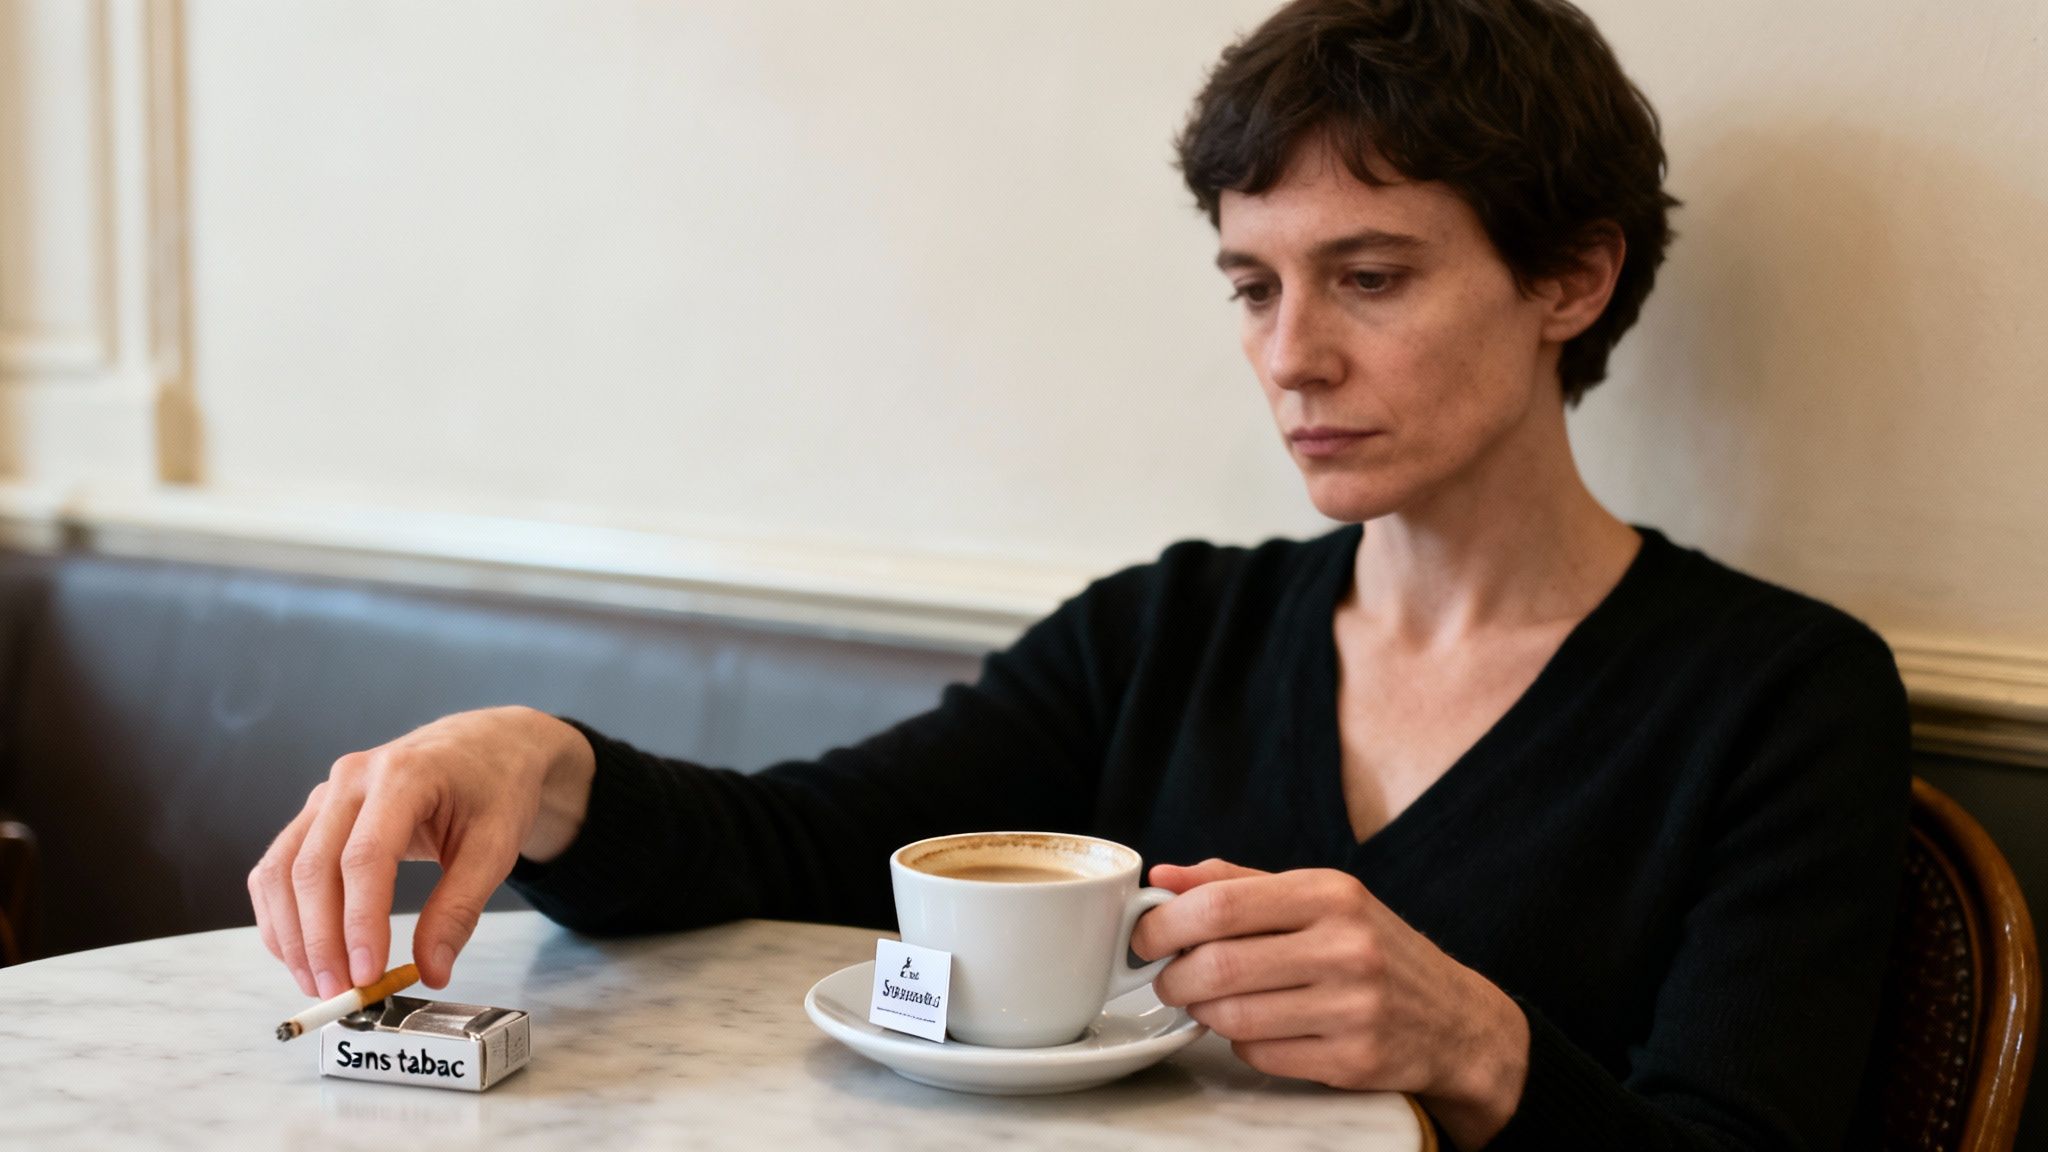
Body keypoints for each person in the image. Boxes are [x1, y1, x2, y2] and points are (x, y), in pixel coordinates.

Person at [247, 0, 1909, 1147]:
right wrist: (542, 764)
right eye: (1251, 287)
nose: (1294, 357)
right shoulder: (1165, 632)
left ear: (1572, 277)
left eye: (1371, 276)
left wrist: (1478, 1049)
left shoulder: (1777, 697)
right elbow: (798, 854)